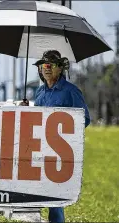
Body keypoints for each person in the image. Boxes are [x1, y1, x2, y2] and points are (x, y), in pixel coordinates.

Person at [20, 50, 90, 223]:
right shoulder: (40, 93)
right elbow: (37, 120)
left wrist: (64, 133)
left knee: (55, 195)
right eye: (44, 65)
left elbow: (85, 119)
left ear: (61, 68)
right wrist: (26, 109)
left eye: (52, 65)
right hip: (41, 149)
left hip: (60, 151)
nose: (48, 68)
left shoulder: (71, 92)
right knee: (38, 191)